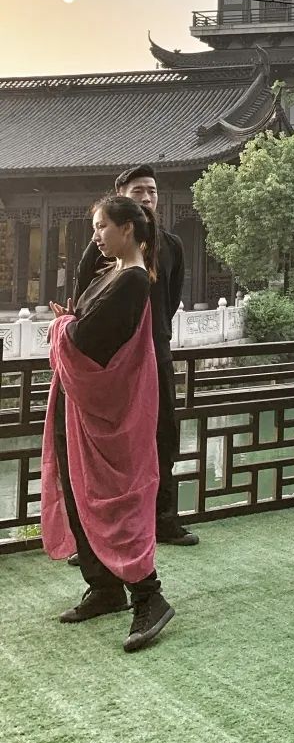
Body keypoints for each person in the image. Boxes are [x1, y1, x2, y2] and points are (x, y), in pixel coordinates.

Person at [40, 196, 176, 653]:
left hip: (105, 410)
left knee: (113, 500)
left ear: (127, 229)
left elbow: (87, 340)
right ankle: (104, 587)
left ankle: (149, 595)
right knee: (78, 492)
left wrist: (61, 328)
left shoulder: (133, 280)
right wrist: (70, 323)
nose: (95, 236)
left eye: (101, 227)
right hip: (79, 405)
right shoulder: (111, 273)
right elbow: (83, 321)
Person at [74, 164, 194, 548]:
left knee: (163, 436)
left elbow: (170, 300)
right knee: (111, 448)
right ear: (120, 198)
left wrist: (153, 337)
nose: (147, 197)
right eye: (138, 191)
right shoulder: (101, 245)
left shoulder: (171, 244)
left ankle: (164, 520)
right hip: (113, 365)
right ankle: (99, 535)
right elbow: (83, 297)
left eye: (152, 191)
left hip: (156, 355)